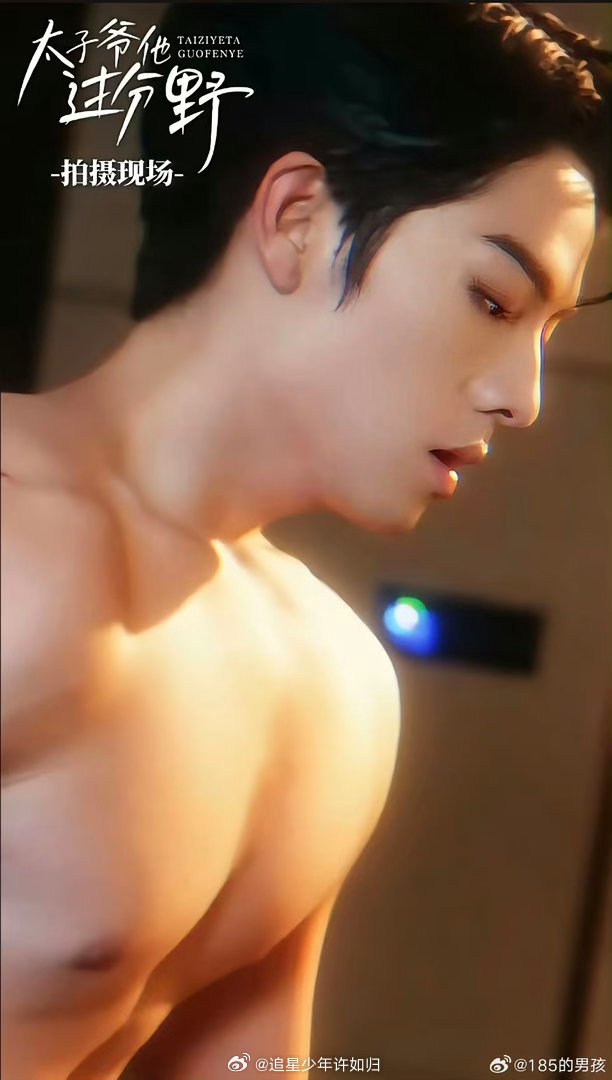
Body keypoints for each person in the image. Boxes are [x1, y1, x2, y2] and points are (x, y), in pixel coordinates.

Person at [2, 4, 610, 1078]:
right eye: (493, 298)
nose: (523, 398)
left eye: (547, 334)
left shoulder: (343, 694)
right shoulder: (20, 541)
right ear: (296, 217)